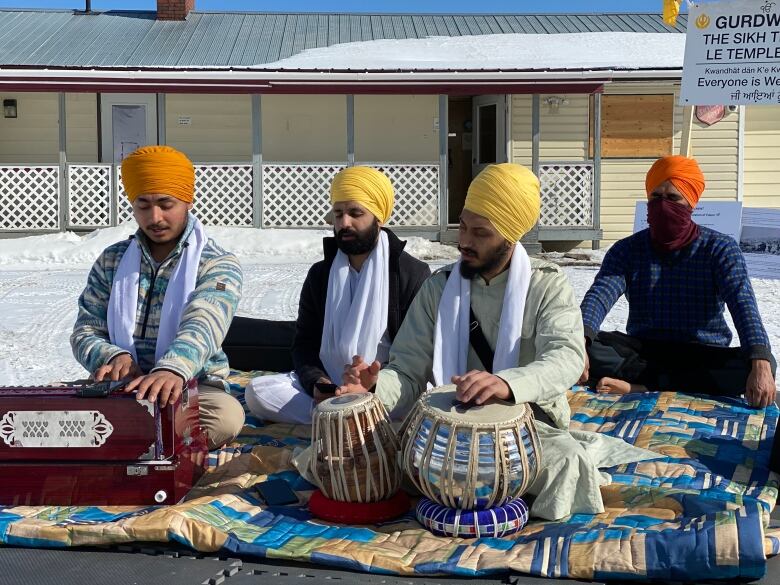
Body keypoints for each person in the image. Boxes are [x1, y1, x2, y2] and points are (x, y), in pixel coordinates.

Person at [338, 163, 654, 521]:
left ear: (510, 236)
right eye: (464, 226)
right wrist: (375, 386)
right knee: (364, 454)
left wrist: (506, 383)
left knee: (567, 462)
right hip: (449, 423)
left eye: (481, 232)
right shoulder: (439, 287)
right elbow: (409, 369)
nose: (465, 241)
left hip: (527, 425)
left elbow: (566, 356)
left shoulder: (545, 285)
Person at [71, 145, 245, 450]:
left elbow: (204, 324)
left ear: (187, 200)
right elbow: (85, 330)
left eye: (166, 204)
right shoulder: (112, 260)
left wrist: (171, 369)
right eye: (143, 205)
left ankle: (123, 437)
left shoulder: (216, 263)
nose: (155, 217)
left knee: (226, 417)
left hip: (192, 386)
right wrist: (112, 357)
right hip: (121, 386)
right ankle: (140, 435)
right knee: (46, 412)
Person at [579, 155, 776, 407]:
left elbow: (743, 305)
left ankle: (644, 387)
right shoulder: (627, 250)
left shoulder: (719, 249)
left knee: (762, 363)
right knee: (586, 346)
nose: (663, 206)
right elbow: (600, 295)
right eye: (655, 197)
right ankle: (662, 383)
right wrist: (581, 342)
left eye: (673, 198)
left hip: (702, 352)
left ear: (690, 204)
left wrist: (759, 360)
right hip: (645, 350)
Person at [244, 166, 430, 424]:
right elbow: (304, 344)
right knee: (258, 392)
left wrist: (374, 382)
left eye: (356, 213)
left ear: (379, 217)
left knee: (415, 406)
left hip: (382, 390)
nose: (344, 223)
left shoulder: (411, 274)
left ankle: (339, 418)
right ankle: (346, 417)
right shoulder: (321, 274)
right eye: (338, 213)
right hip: (332, 387)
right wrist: (317, 383)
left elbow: (417, 358)